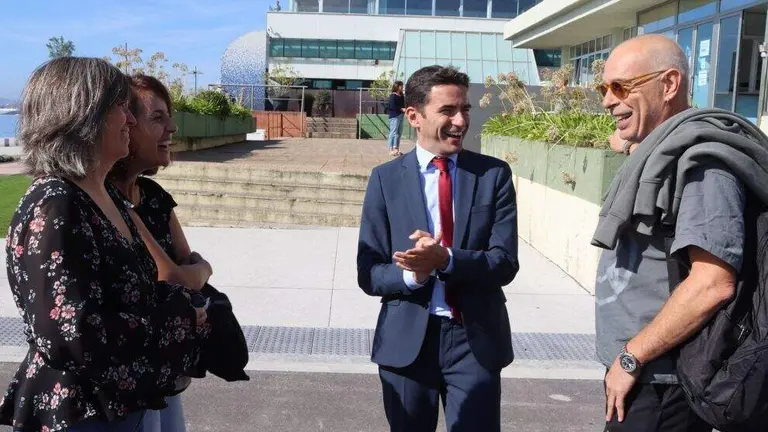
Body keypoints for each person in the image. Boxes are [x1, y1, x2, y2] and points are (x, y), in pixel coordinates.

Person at [1, 57, 207, 432]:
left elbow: (138, 292)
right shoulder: (57, 203)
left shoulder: (102, 196)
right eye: (120, 108)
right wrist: (178, 317)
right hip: (82, 414)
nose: (130, 120)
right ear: (83, 117)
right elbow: (71, 332)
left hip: (123, 407)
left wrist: (179, 307)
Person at [592, 34, 768, 431]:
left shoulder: (704, 166)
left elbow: (712, 283)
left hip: (662, 381)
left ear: (669, 84)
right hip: (645, 375)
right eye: (604, 88)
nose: (607, 100)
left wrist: (630, 357)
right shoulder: (666, 152)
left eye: (621, 87)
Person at [357, 65, 519, 431]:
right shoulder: (385, 180)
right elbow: (369, 272)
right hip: (407, 343)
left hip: (473, 341)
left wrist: (445, 258)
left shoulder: (493, 175)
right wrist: (413, 274)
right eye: (448, 111)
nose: (461, 121)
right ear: (413, 116)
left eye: (465, 110)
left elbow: (505, 263)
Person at [109, 74, 214, 432]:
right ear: (125, 123)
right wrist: (202, 268)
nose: (172, 127)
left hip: (166, 366)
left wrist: (193, 271)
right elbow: (174, 273)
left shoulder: (153, 195)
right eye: (157, 118)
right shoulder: (108, 198)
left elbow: (185, 268)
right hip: (129, 375)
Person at [387, 80, 405, 157]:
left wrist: (404, 109)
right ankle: (390, 149)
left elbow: (403, 104)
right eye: (401, 85)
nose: (402, 87)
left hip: (401, 116)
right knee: (393, 132)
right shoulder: (393, 96)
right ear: (397, 86)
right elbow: (392, 106)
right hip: (394, 116)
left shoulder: (401, 95)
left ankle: (396, 149)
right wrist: (401, 109)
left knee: (399, 133)